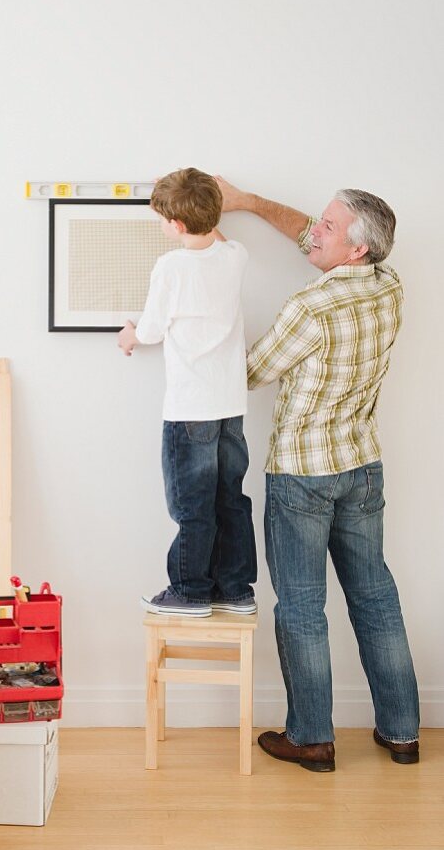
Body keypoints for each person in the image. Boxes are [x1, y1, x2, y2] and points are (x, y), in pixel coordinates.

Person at [216, 177, 420, 771]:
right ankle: (403, 732)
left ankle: (312, 738)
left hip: (303, 477)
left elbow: (251, 373)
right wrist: (249, 202)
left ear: (355, 249)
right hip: (362, 468)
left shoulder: (312, 306)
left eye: (329, 226)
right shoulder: (388, 286)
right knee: (375, 596)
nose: (316, 230)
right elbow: (312, 235)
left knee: (301, 606)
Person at [117, 167, 256, 618]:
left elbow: (154, 330)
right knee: (230, 499)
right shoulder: (235, 255)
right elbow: (215, 235)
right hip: (230, 405)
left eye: (163, 219)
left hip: (189, 409)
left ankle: (190, 591)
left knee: (191, 504)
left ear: (176, 225)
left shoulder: (171, 266)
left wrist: (129, 334)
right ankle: (235, 589)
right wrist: (203, 199)